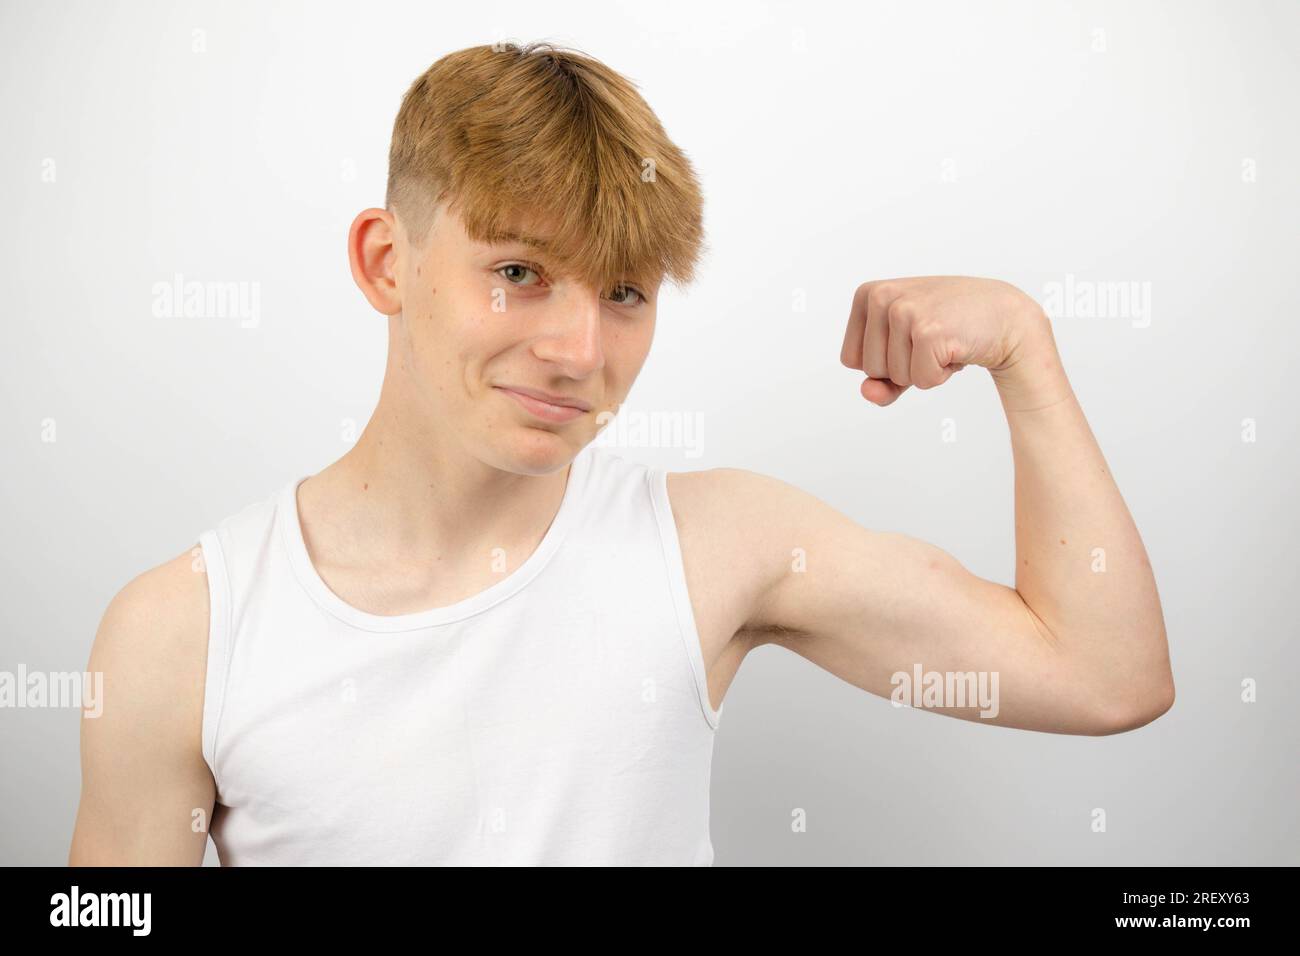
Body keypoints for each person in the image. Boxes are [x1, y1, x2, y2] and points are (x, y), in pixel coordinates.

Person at [68, 41, 1173, 866]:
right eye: (518, 271)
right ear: (385, 261)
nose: (579, 350)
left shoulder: (719, 546)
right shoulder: (184, 631)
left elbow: (1105, 675)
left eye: (626, 291)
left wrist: (1024, 348)